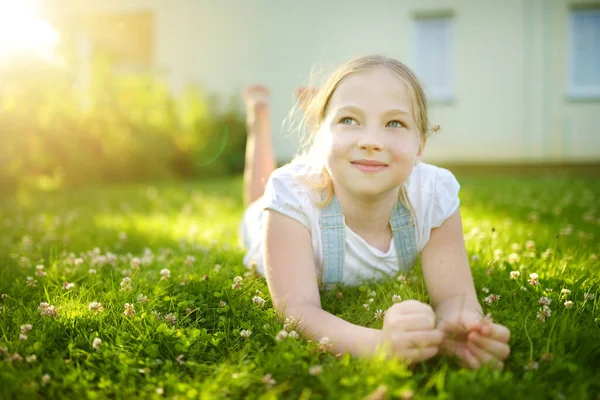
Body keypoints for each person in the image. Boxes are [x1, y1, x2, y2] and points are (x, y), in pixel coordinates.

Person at [239, 54, 510, 369]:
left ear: (420, 145)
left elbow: (453, 297)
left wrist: (465, 329)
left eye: (394, 123)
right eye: (350, 119)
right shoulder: (291, 195)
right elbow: (299, 309)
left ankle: (331, 121)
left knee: (345, 153)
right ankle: (259, 119)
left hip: (333, 166)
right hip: (277, 221)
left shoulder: (433, 194)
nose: (371, 141)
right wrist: (379, 344)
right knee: (257, 200)